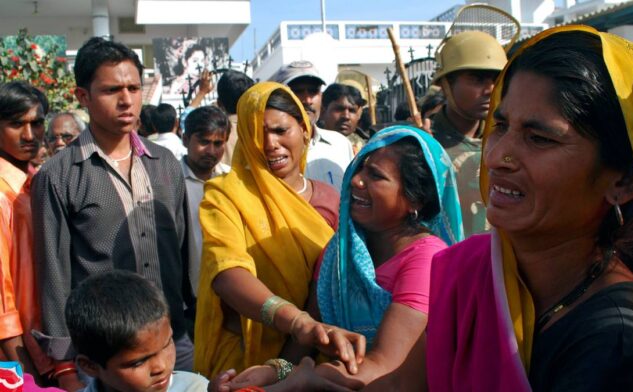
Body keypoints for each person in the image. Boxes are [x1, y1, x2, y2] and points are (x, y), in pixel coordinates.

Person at [366, 25, 633, 392]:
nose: (496, 157)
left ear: (624, 180)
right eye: (501, 126)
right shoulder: (478, 273)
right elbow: (400, 385)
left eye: (539, 138)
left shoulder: (621, 342)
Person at [231, 126, 464, 390]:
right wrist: (274, 372)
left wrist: (305, 378)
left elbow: (385, 366)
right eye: (361, 167)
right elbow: (308, 337)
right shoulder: (340, 252)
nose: (356, 180)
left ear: (415, 200)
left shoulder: (426, 257)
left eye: (376, 176)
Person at [31, 37, 193, 391]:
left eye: (134, 88)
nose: (127, 100)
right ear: (83, 97)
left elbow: (181, 251)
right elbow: (53, 276)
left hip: (172, 341)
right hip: (108, 355)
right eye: (111, 90)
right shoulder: (58, 175)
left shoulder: (165, 163)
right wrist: (65, 365)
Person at [193, 82, 365, 379]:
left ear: (304, 129)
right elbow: (227, 273)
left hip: (320, 355)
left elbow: (337, 282)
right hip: (246, 362)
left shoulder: (332, 200)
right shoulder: (225, 195)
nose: (270, 143)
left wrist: (297, 349)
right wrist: (297, 322)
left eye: (280, 130)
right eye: (257, 133)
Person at [65, 271, 209, 392]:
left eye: (166, 345)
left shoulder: (195, 387)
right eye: (138, 362)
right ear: (90, 366)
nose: (161, 367)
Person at [431, 31, 507, 237]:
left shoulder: (508, 143)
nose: (490, 89)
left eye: (496, 79)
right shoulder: (425, 147)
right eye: (477, 79)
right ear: (446, 85)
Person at [0, 81, 52, 380]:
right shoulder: (4, 195)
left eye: (37, 123)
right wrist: (24, 373)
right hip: (21, 356)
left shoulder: (32, 181)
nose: (30, 135)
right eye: (16, 124)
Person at [270, 61, 354, 194]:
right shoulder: (269, 148)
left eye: (313, 91)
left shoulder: (340, 144)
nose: (307, 100)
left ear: (321, 95)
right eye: (298, 91)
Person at [180, 106, 231, 295]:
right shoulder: (171, 180)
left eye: (218, 144)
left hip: (227, 289)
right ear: (185, 140)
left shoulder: (231, 180)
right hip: (188, 292)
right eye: (204, 142)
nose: (211, 151)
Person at [181, 69, 255, 166]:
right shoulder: (258, 130)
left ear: (219, 103)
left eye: (218, 143)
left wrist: (202, 92)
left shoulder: (212, 128)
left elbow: (186, 119)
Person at [318, 83, 368, 153]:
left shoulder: (368, 149)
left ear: (359, 114)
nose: (346, 116)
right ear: (322, 112)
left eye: (352, 110)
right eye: (339, 109)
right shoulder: (310, 145)